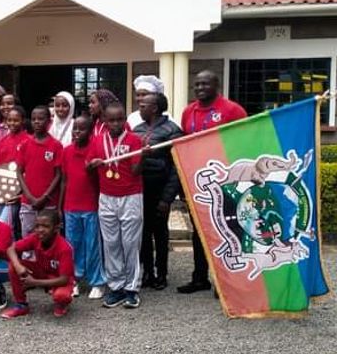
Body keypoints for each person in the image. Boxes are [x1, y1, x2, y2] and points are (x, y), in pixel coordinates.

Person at [177, 70, 247, 294]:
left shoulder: (232, 110)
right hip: (198, 182)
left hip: (226, 181)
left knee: (227, 229)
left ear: (216, 85)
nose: (199, 88)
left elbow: (244, 142)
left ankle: (227, 281)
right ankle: (200, 278)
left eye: (205, 84)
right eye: (196, 84)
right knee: (200, 231)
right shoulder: (189, 111)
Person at [88, 102, 144, 309]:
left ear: (125, 120)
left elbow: (137, 170)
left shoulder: (135, 140)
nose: (116, 123)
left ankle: (132, 288)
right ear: (105, 121)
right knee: (110, 243)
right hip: (107, 197)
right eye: (111, 120)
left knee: (130, 243)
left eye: (120, 119)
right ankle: (116, 287)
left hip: (130, 196)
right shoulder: (97, 141)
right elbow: (88, 165)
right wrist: (91, 165)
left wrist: (143, 155)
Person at [132, 93, 183, 291]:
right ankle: (146, 272)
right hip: (140, 190)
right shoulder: (137, 129)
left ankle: (161, 273)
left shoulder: (173, 131)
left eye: (143, 105)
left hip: (160, 190)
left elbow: (177, 167)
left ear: (154, 108)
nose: (139, 108)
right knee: (142, 233)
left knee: (160, 233)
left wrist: (167, 198)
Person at [60, 115, 106, 300]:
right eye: (75, 129)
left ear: (90, 131)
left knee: (92, 245)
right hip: (70, 206)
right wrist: (60, 205)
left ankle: (97, 282)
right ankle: (75, 279)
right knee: (73, 245)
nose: (77, 132)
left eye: (82, 129)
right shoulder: (67, 151)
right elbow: (64, 180)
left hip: (90, 205)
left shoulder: (95, 150)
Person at [0, 210, 75, 319]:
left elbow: (64, 279)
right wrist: (18, 266)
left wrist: (35, 282)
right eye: (37, 226)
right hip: (42, 271)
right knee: (13, 266)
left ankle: (62, 304)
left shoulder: (64, 248)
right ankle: (21, 305)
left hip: (59, 279)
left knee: (61, 296)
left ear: (56, 228)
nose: (40, 230)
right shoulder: (35, 237)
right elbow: (11, 248)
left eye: (45, 226)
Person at [17, 106, 63, 237]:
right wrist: (30, 197)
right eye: (33, 119)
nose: (37, 122)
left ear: (49, 121)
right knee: (28, 236)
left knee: (49, 237)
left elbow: (58, 175)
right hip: (28, 202)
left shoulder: (56, 145)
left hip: (49, 203)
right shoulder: (25, 144)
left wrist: (45, 197)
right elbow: (19, 172)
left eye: (41, 119)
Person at [0, 105, 31, 233]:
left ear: (23, 121)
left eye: (16, 120)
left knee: (4, 225)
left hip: (19, 191)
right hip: (3, 189)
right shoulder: (2, 141)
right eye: (9, 120)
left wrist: (20, 194)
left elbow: (29, 170)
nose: (12, 123)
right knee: (8, 228)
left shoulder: (28, 141)